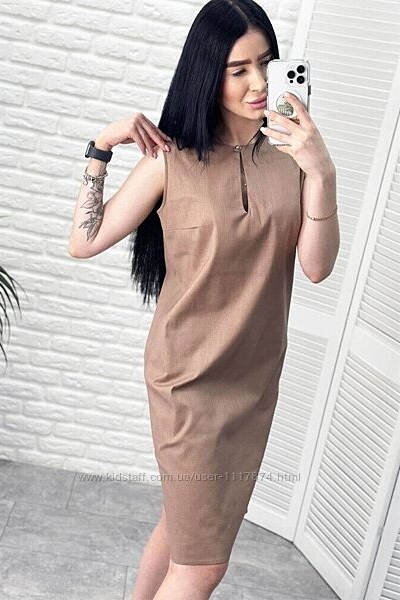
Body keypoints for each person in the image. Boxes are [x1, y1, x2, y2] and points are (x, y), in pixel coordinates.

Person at [68, 0, 339, 598]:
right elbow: (84, 242)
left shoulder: (294, 156)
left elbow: (317, 268)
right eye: (238, 69)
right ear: (207, 74)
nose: (259, 83)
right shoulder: (171, 160)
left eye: (266, 63)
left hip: (254, 382)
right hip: (187, 384)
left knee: (183, 528)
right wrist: (101, 148)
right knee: (203, 565)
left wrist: (321, 173)